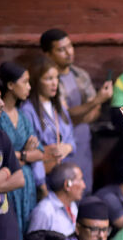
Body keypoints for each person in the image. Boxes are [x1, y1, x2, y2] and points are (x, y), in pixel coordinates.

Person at [40, 28, 113, 194]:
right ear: (48, 55)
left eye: (70, 46)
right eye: (61, 49)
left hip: (83, 141)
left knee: (84, 188)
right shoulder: (50, 82)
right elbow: (64, 115)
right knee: (65, 189)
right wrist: (95, 101)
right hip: (62, 144)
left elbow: (94, 110)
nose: (68, 52)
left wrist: (87, 110)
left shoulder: (80, 74)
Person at [0, 62, 45, 240]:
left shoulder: (23, 116)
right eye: (25, 82)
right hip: (7, 181)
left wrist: (22, 155)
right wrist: (26, 153)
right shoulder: (1, 117)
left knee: (27, 229)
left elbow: (40, 153)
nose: (29, 87)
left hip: (26, 183)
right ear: (10, 85)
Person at [21, 57, 76, 176]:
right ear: (36, 81)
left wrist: (67, 148)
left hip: (64, 171)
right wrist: (48, 150)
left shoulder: (58, 106)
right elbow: (30, 146)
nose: (54, 83)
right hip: (42, 173)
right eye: (49, 78)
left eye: (56, 77)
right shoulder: (28, 110)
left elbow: (71, 138)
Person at [0, 87, 26, 240]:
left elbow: (19, 179)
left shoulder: (1, 137)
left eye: (0, 97)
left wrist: (6, 174)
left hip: (6, 237)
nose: (1, 104)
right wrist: (4, 173)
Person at [27, 162, 85, 237]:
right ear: (67, 185)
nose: (84, 186)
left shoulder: (72, 206)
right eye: (80, 180)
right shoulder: (44, 211)